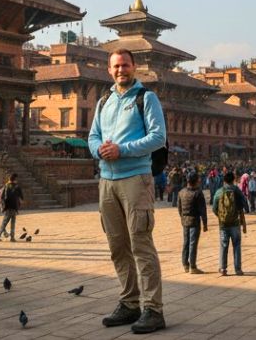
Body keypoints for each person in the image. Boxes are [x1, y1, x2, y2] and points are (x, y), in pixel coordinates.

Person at [88, 48, 167, 334]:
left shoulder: (146, 98)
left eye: (125, 65)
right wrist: (99, 149)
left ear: (134, 67)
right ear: (108, 70)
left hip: (136, 178)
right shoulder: (104, 101)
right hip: (107, 181)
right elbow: (92, 135)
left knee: (140, 243)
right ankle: (130, 302)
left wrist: (122, 150)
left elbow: (158, 137)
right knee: (117, 246)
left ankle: (153, 309)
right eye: (115, 66)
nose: (120, 70)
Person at [212, 171, 249, 277]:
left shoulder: (219, 192)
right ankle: (238, 269)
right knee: (236, 245)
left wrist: (221, 216)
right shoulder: (236, 190)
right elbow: (244, 203)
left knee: (223, 245)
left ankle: (223, 268)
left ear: (224, 180)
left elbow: (214, 208)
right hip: (235, 223)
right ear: (233, 179)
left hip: (223, 224)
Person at [177, 171, 208, 274]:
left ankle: (185, 264)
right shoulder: (198, 193)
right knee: (192, 244)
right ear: (195, 181)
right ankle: (193, 266)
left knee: (186, 243)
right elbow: (203, 210)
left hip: (185, 221)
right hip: (195, 220)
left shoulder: (181, 192)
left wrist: (182, 218)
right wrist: (205, 223)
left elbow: (179, 209)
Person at [0, 173, 24, 241]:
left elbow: (2, 198)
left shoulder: (6, 186)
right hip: (14, 207)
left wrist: (3, 207)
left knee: (4, 223)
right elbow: (21, 198)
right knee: (12, 223)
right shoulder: (17, 187)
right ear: (15, 179)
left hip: (7, 207)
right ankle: (12, 237)